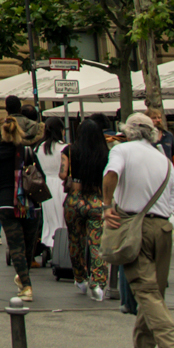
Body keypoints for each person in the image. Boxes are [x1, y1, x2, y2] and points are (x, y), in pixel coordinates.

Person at [105, 112, 174, 348]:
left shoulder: (122, 151)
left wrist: (107, 204)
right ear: (152, 132)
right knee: (153, 295)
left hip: (133, 226)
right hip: (162, 228)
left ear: (128, 131)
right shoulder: (162, 158)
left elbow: (111, 174)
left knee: (147, 293)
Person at [0, 115, 37, 301]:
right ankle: (24, 278)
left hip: (6, 202)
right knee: (29, 246)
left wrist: (0, 194)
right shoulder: (26, 151)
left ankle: (26, 285)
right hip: (28, 203)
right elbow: (40, 176)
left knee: (16, 245)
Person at [63, 117, 111, 301]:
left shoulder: (70, 150)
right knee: (97, 243)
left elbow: (62, 173)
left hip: (75, 201)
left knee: (75, 241)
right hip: (97, 201)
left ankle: (80, 277)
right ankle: (98, 283)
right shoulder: (105, 153)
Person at [37, 117, 67, 267]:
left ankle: (50, 242)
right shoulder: (64, 148)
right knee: (62, 216)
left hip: (47, 184)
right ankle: (62, 245)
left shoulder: (39, 148)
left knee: (50, 217)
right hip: (61, 184)